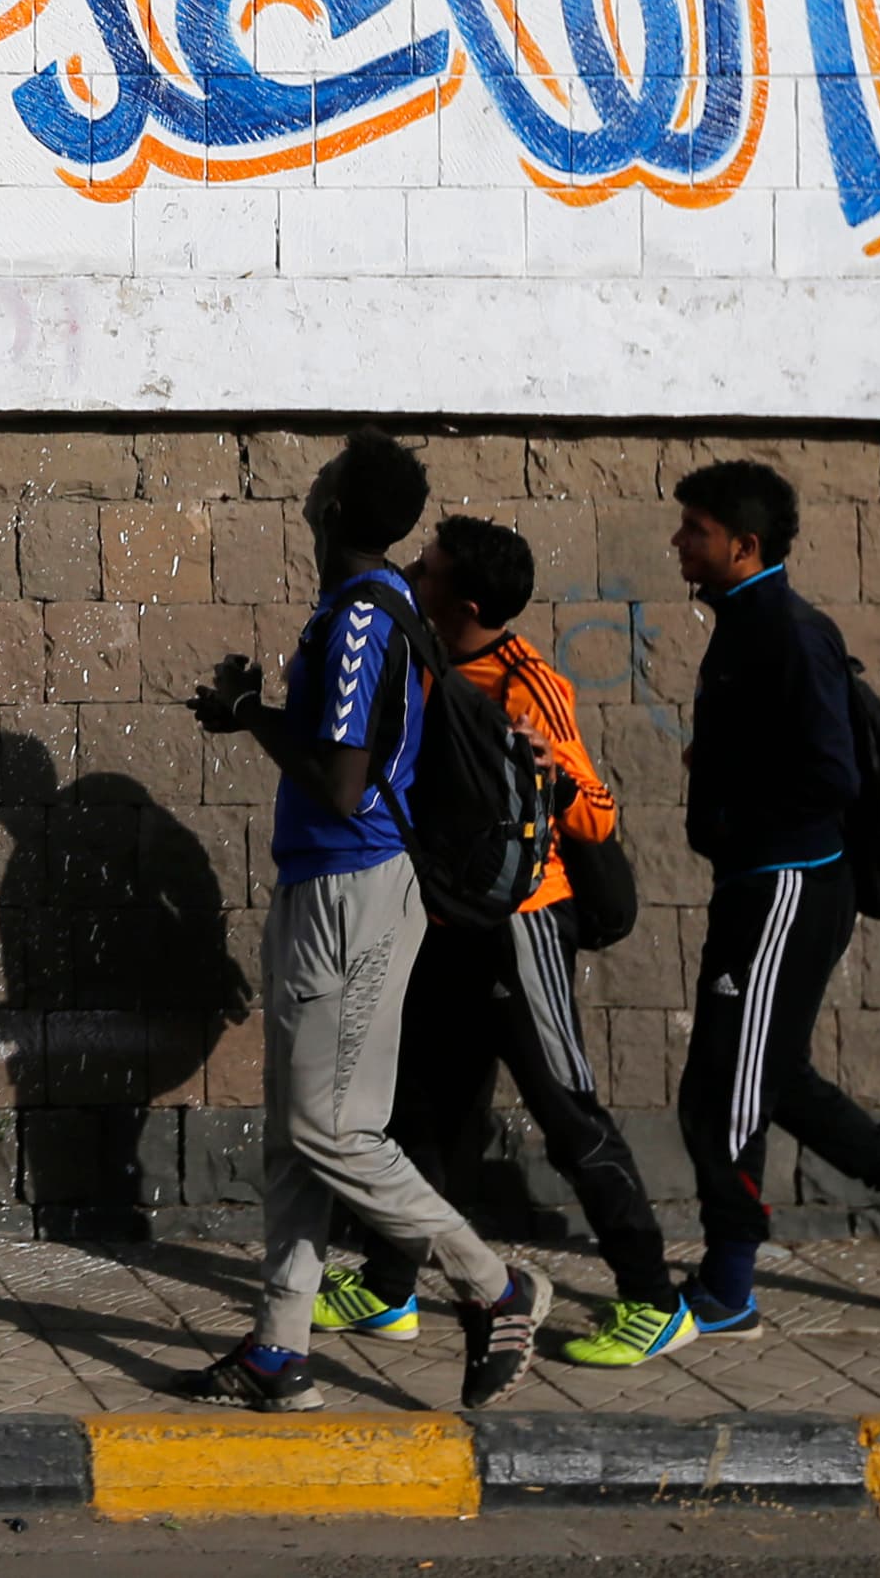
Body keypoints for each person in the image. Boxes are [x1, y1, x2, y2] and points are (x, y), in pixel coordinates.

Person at [170, 432, 545, 1412]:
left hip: (352, 890)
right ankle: (278, 1351)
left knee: (331, 1128)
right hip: (330, 886)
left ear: (334, 507)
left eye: (326, 476)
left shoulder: (360, 621)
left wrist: (253, 715)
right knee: (297, 1133)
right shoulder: (366, 607)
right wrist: (251, 711)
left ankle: (493, 1285)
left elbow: (341, 785)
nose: (314, 484)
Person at [312, 515, 688, 1367]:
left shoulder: (528, 682)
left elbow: (598, 813)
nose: (414, 574)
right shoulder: (424, 658)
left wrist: (550, 773)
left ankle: (653, 1297)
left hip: (523, 924)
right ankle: (389, 1286)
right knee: (420, 1109)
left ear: (468, 603)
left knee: (566, 1109)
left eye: (430, 569)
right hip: (447, 926)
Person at [670, 459, 880, 1334]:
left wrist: (728, 778)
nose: (679, 542)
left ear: (744, 546)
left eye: (696, 530)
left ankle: (729, 1283)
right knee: (771, 1077)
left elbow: (829, 774)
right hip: (756, 883)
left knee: (721, 1091)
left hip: (788, 885)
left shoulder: (789, 630)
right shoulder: (745, 623)